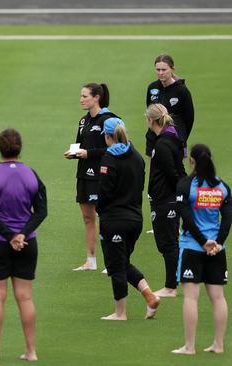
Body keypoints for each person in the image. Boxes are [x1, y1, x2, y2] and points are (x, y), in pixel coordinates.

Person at [0, 128, 47, 362]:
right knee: (25, 297)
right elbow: (42, 211)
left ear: (0, 147)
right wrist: (22, 235)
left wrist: (9, 236)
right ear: (19, 148)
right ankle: (31, 351)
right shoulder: (31, 174)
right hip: (27, 244)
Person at [97, 119, 160, 320]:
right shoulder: (138, 158)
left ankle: (120, 313)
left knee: (116, 265)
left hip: (114, 219)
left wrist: (99, 209)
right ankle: (150, 296)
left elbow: (104, 192)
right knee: (122, 262)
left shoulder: (108, 159)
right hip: (135, 219)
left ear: (108, 137)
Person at [172, 144, 229, 355]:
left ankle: (189, 346)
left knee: (190, 297)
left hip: (193, 247)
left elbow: (185, 216)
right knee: (218, 297)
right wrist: (218, 242)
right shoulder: (222, 187)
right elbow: (228, 218)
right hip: (216, 250)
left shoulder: (186, 185)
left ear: (192, 161)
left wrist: (203, 241)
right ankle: (219, 344)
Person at [64, 83, 120, 271]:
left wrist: (89, 154)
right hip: (84, 175)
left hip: (103, 175)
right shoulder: (83, 121)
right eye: (81, 96)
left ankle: (112, 261)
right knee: (88, 218)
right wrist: (73, 153)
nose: (81, 99)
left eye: (85, 96)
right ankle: (91, 260)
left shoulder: (110, 120)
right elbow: (80, 144)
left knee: (106, 217)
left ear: (96, 97)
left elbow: (117, 148)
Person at [146, 104, 187, 298]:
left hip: (166, 199)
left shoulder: (162, 144)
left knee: (168, 243)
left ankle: (171, 286)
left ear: (150, 120)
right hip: (167, 198)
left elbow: (172, 172)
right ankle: (174, 282)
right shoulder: (172, 138)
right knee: (169, 243)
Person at [145, 54, 195, 157]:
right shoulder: (152, 88)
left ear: (172, 69)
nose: (161, 73)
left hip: (175, 141)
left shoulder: (182, 90)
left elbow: (189, 118)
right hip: (153, 139)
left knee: (175, 171)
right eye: (158, 70)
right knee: (155, 172)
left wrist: (181, 137)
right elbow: (150, 112)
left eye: (164, 69)